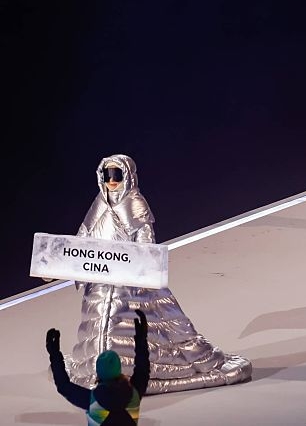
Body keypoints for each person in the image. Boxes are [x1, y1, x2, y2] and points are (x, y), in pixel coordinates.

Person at [68, 154, 252, 393]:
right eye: (106, 175)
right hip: (101, 280)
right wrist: (61, 266)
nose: (111, 181)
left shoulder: (134, 203)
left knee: (117, 321)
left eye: (116, 175)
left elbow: (146, 243)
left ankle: (120, 372)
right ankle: (101, 372)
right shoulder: (99, 204)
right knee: (100, 322)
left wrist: (133, 268)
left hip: (128, 283)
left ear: (127, 176)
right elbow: (83, 238)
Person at [46, 310, 149, 424]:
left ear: (99, 373)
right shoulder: (133, 393)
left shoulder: (93, 400)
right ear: (118, 370)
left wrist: (55, 354)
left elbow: (63, 386)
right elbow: (142, 370)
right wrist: (141, 341)